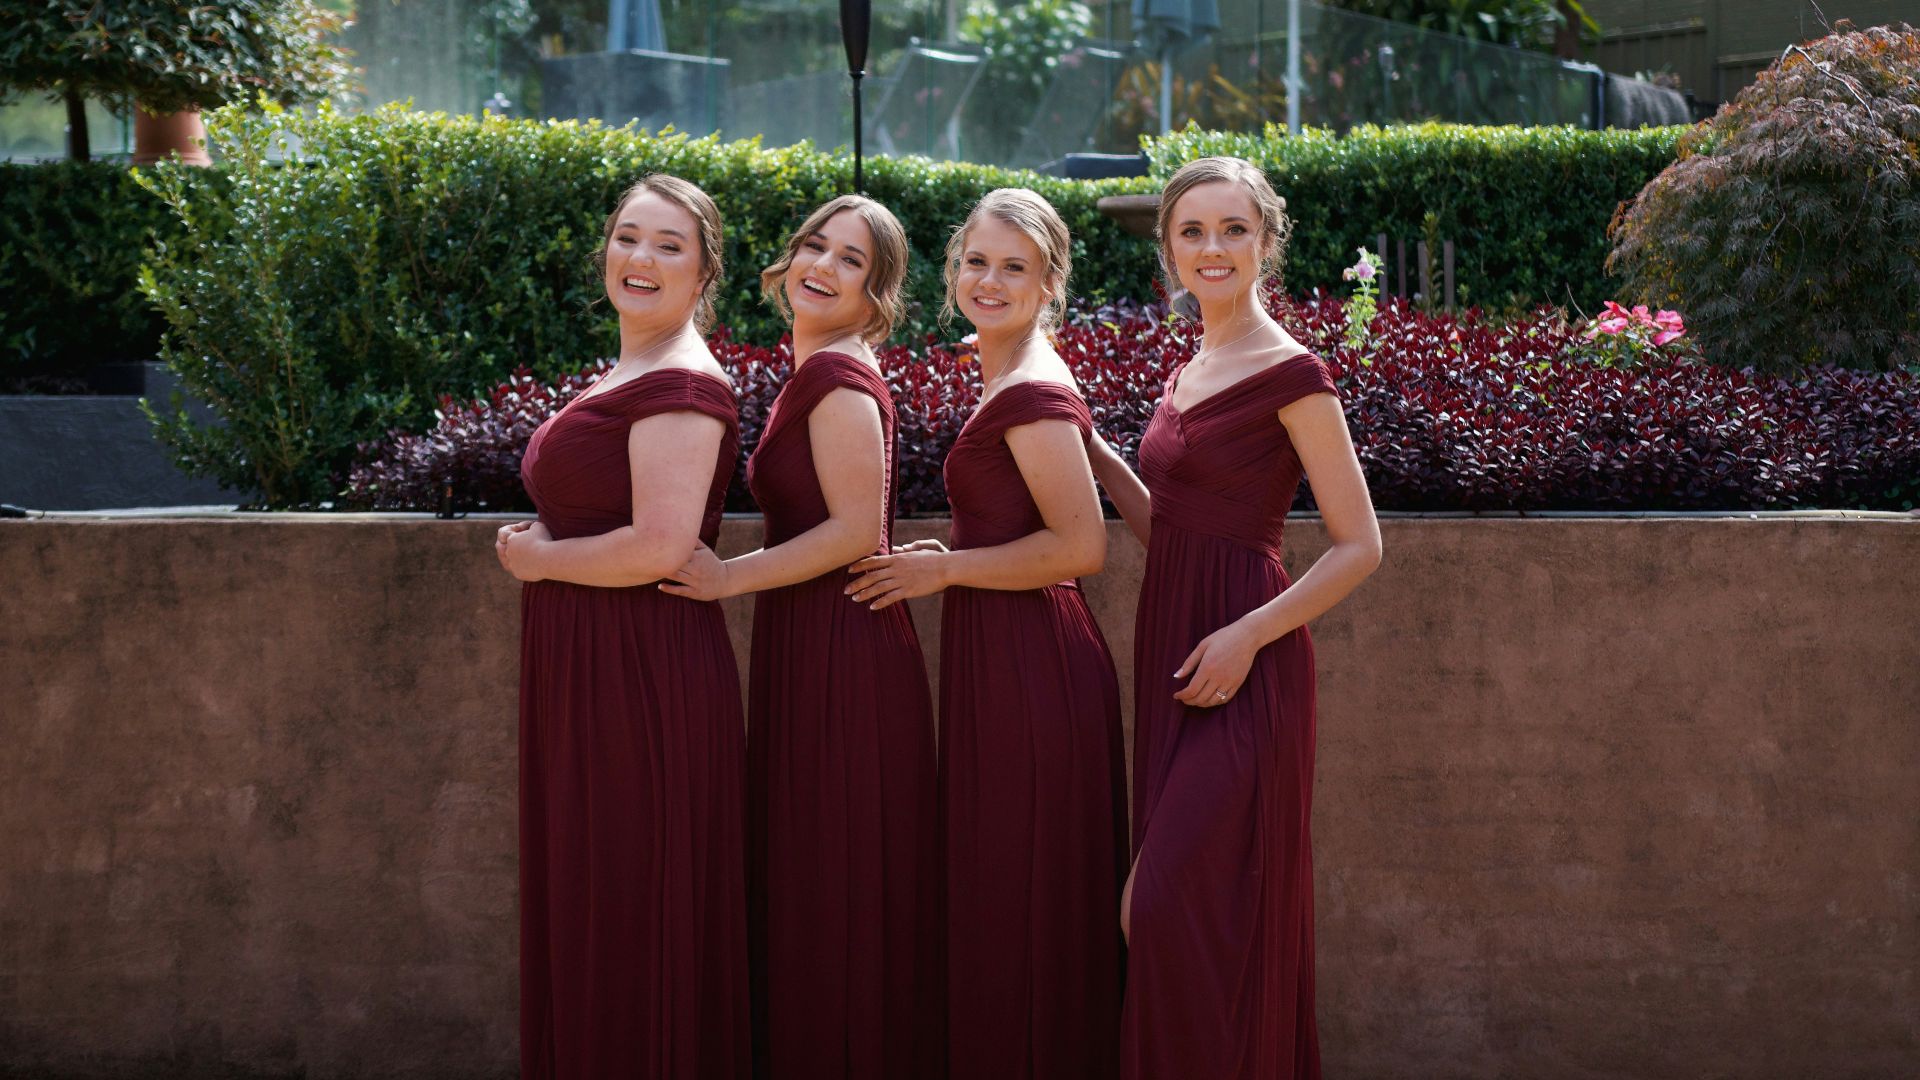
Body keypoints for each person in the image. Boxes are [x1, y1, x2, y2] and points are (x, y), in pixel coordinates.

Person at [1088, 156, 1382, 1080]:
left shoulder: (1294, 374)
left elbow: (1359, 543)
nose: (1212, 249)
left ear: (1266, 243)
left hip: (1248, 670)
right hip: (1177, 656)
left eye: (1233, 230)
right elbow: (1168, 532)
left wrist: (1252, 633)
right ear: (1168, 249)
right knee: (1189, 917)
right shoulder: (1190, 369)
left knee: (1167, 905)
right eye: (1192, 232)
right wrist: (1088, 444)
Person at [846, 187, 1127, 1080]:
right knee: (1004, 895)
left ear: (1051, 284)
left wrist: (948, 569)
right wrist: (961, 555)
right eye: (976, 261)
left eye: (1015, 267)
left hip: (1032, 670)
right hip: (1001, 657)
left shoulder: (1034, 389)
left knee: (1025, 898)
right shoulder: (1008, 372)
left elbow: (1082, 548)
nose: (990, 280)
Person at [660, 195, 941, 1079]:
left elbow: (858, 530)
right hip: (806, 643)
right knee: (815, 881)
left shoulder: (837, 378)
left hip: (844, 652)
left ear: (876, 293)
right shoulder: (816, 368)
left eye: (851, 260)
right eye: (816, 245)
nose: (824, 266)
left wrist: (726, 578)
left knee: (841, 884)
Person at [496, 174, 749, 1080]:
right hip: (592, 672)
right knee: (595, 898)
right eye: (628, 237)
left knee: (631, 905)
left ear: (703, 270)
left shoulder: (680, 383)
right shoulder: (631, 368)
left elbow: (661, 545)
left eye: (668, 245)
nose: (640, 259)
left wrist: (539, 560)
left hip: (641, 680)